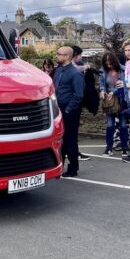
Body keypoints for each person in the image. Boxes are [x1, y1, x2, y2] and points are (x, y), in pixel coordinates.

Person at [53, 46, 85, 177]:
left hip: (69, 110)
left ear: (67, 56)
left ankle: (73, 168)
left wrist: (68, 109)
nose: (56, 56)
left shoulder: (75, 73)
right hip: (58, 108)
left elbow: (78, 95)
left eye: (59, 54)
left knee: (70, 139)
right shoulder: (58, 70)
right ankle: (59, 167)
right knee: (60, 139)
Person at [99, 52, 129, 156]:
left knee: (123, 124)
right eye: (106, 63)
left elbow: (124, 83)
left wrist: (114, 91)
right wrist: (102, 91)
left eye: (110, 63)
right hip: (110, 101)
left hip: (121, 99)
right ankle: (109, 148)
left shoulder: (123, 69)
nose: (108, 65)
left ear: (114, 61)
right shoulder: (103, 70)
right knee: (110, 124)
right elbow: (102, 84)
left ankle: (124, 147)